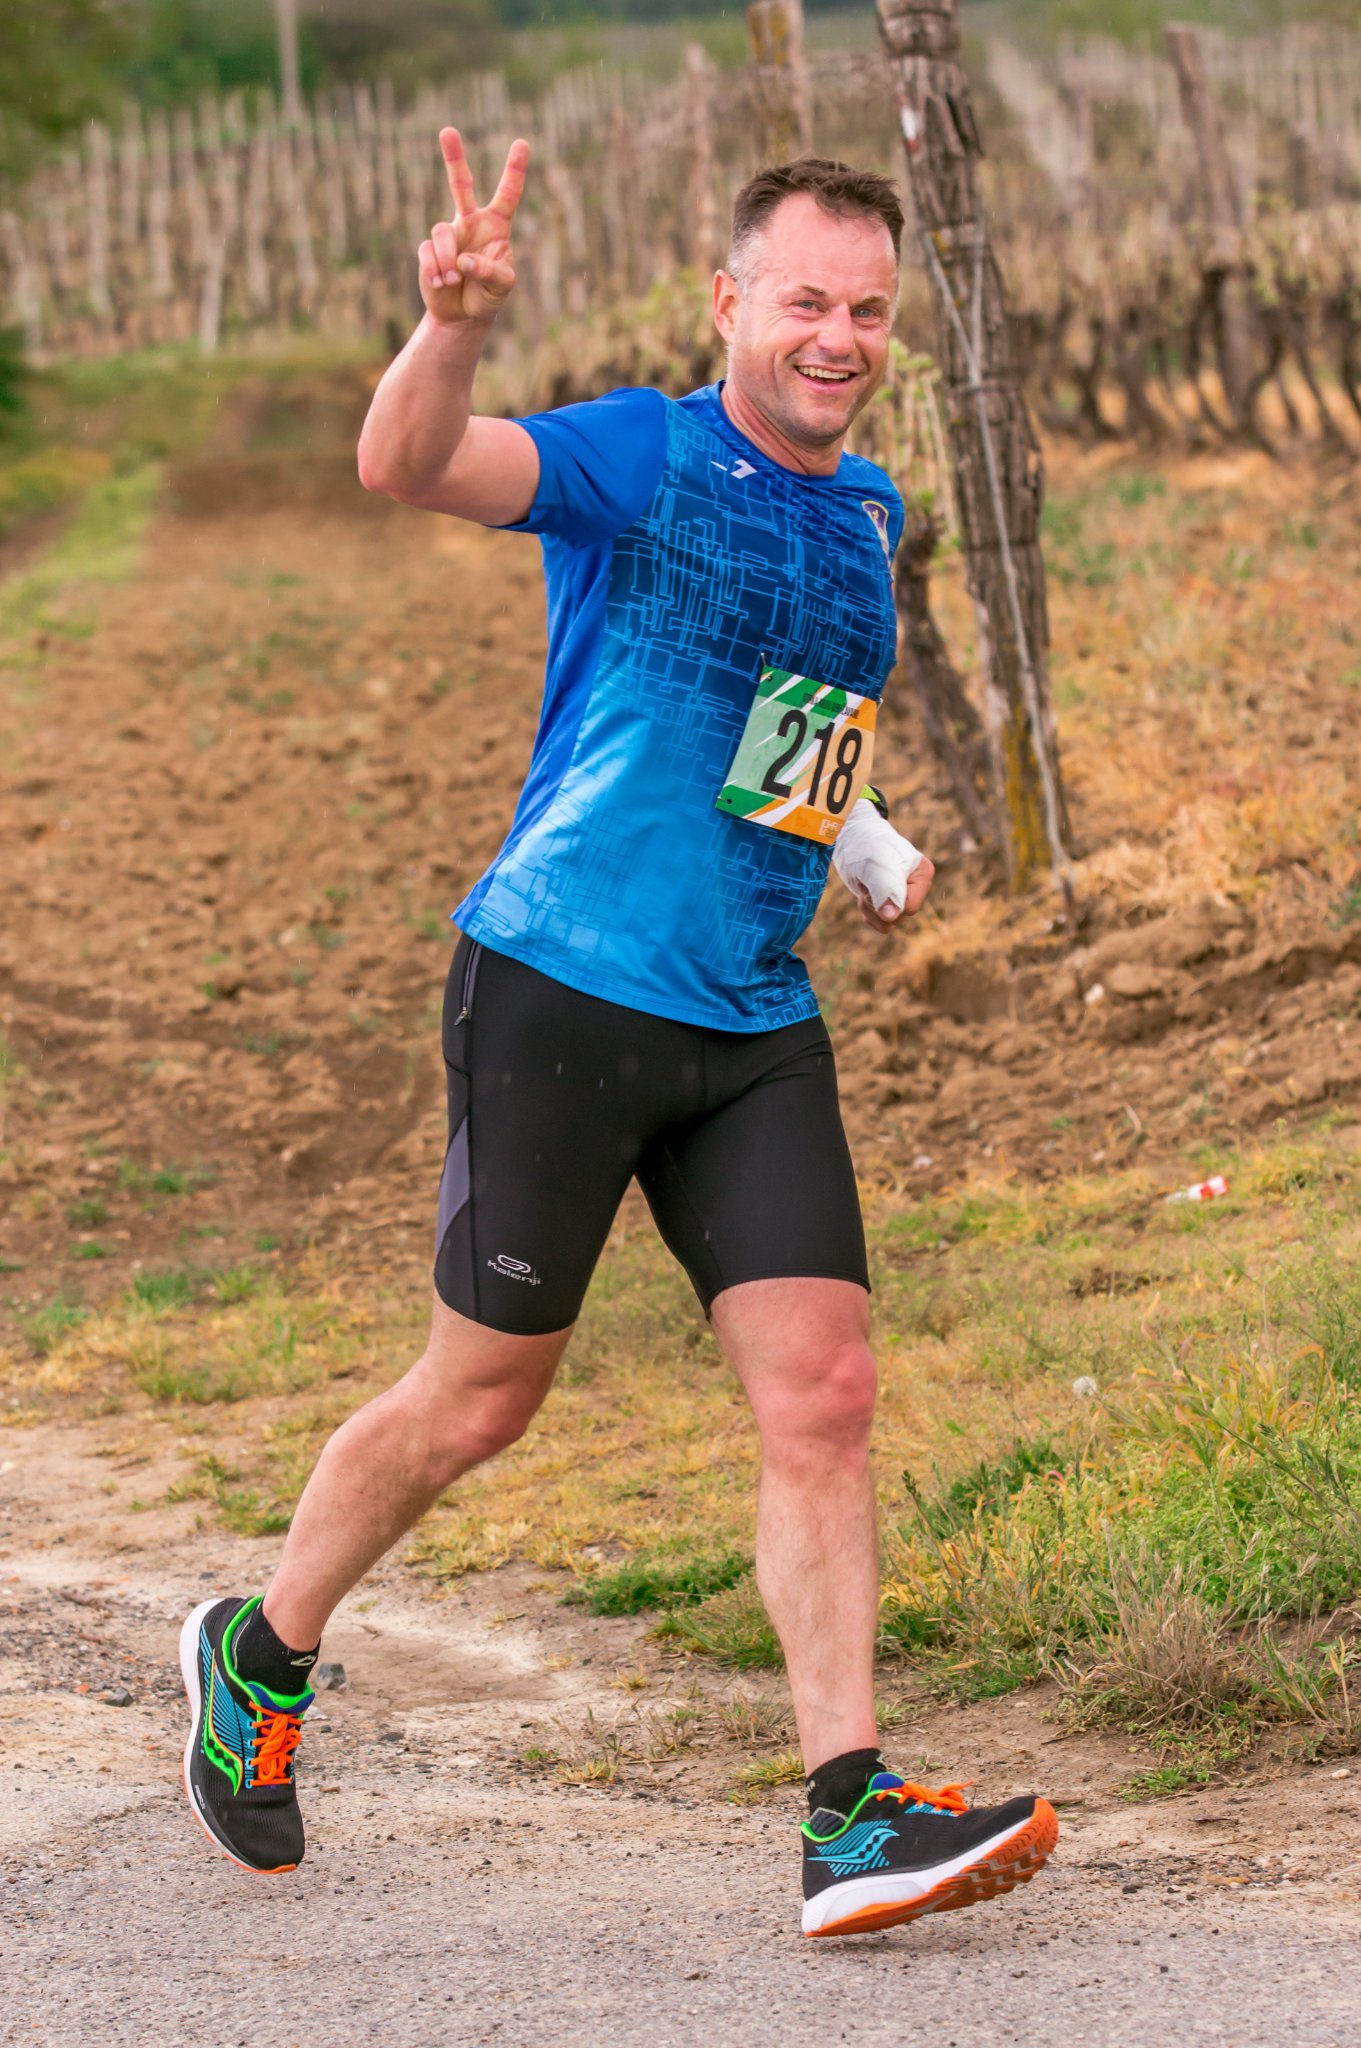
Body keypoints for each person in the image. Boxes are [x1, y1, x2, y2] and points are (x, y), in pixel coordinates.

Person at [178, 130, 1057, 1939]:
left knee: (824, 1391)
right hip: (564, 986)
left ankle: (846, 1814)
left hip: (752, 1017)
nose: (837, 337)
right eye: (804, 301)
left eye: (867, 310)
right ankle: (259, 1655)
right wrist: (452, 327)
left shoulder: (865, 513)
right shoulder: (638, 453)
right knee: (480, 1401)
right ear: (729, 301)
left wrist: (861, 842)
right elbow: (405, 462)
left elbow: (785, 710)